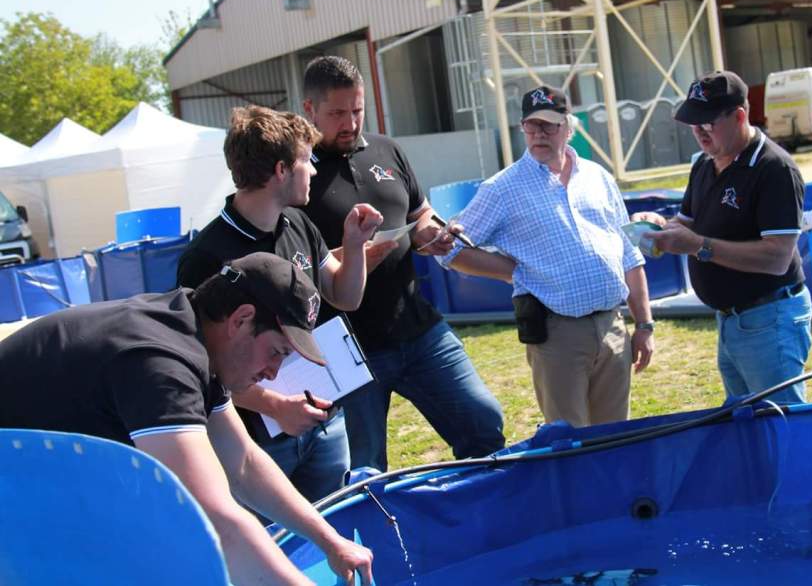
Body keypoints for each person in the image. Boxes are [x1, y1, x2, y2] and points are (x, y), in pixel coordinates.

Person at [0, 252, 374, 586]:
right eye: (276, 352)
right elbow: (215, 520)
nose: (273, 373)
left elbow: (243, 464)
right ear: (241, 319)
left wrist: (330, 540)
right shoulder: (160, 364)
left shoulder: (193, 329)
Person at [299, 55, 505, 472]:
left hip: (418, 327)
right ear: (309, 109)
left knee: (484, 423)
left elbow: (419, 214)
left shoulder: (387, 149)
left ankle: (481, 509)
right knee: (361, 468)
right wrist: (353, 257)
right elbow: (293, 263)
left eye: (357, 110)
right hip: (346, 348)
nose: (350, 123)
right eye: (337, 114)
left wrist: (433, 233)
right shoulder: (297, 173)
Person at [177, 105, 384, 503]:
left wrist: (355, 245)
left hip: (324, 418)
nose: (315, 172)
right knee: (271, 534)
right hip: (260, 439)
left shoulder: (299, 223)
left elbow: (344, 296)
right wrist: (275, 406)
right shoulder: (205, 256)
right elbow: (203, 366)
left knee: (330, 522)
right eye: (307, 161)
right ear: (281, 170)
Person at [441, 85, 655, 428]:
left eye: (549, 125)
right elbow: (450, 249)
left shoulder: (598, 176)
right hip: (557, 335)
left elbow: (628, 252)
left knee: (616, 435)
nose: (539, 133)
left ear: (568, 128)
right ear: (522, 128)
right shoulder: (503, 188)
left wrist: (643, 324)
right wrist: (512, 271)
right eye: (532, 125)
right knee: (569, 438)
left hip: (613, 327)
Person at [634, 70, 812, 403]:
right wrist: (658, 225)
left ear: (740, 116)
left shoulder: (775, 169)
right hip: (732, 319)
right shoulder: (705, 163)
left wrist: (701, 247)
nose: (699, 132)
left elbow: (777, 257)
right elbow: (687, 224)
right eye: (693, 123)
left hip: (768, 316)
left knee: (779, 422)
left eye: (707, 122)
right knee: (745, 422)